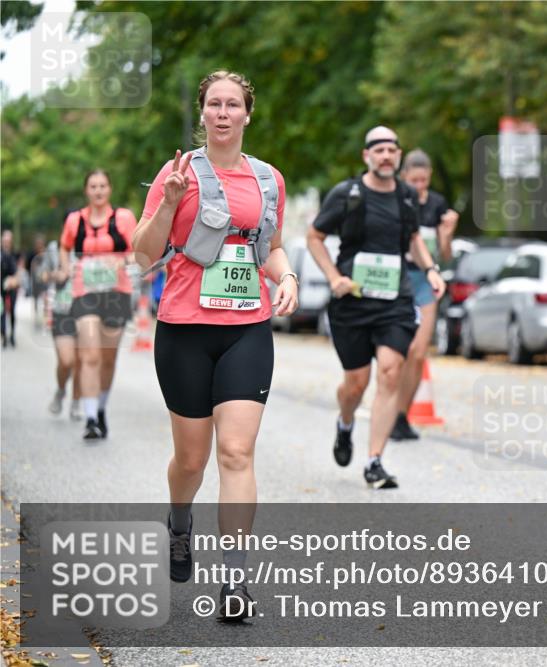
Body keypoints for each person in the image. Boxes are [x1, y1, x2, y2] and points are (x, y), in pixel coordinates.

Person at [133, 70, 297, 620]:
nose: (223, 113)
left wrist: (287, 276)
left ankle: (234, 580)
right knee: (191, 459)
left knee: (236, 452)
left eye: (233, 104)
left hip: (247, 329)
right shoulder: (177, 172)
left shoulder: (269, 179)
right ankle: (180, 524)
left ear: (248, 113)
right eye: (214, 104)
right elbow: (143, 254)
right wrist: (168, 203)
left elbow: (271, 247)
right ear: (202, 113)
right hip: (184, 329)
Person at [307, 126, 444, 489]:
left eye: (391, 150)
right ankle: (345, 423)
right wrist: (333, 276)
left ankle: (374, 461)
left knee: (389, 372)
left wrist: (430, 269)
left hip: (394, 301)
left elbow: (413, 239)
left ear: (398, 155)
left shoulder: (406, 196)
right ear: (366, 156)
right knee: (355, 385)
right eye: (378, 150)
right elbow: (314, 237)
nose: (385, 156)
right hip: (352, 301)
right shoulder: (347, 193)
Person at [59, 170, 137, 440]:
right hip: (85, 293)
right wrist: (66, 268)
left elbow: (138, 250)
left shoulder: (123, 218)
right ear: (86, 190)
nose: (98, 191)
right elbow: (64, 246)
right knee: (90, 354)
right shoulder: (75, 220)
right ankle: (90, 418)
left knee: (108, 358)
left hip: (116, 293)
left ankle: (101, 409)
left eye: (103, 185)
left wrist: (122, 260)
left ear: (110, 189)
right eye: (93, 186)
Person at [390, 149, 458, 441]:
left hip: (425, 282)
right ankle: (389, 410)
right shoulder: (396, 199)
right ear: (404, 176)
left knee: (418, 353)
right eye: (414, 180)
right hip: (398, 279)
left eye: (424, 181)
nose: (419, 186)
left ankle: (402, 415)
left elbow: (445, 255)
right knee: (399, 353)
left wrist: (447, 233)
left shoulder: (437, 204)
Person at [40, 240, 83, 419]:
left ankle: (76, 403)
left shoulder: (90, 243)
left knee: (81, 362)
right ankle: (61, 390)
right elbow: (43, 275)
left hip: (86, 311)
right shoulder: (54, 248)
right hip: (61, 310)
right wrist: (55, 275)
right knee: (66, 361)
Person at [0, 230, 19, 348]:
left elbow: (17, 271)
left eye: (8, 240)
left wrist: (14, 280)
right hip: (1, 287)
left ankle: (12, 334)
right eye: (4, 240)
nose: (6, 243)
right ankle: (4, 334)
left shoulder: (14, 254)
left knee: (12, 310)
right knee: (1, 311)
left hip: (12, 286)